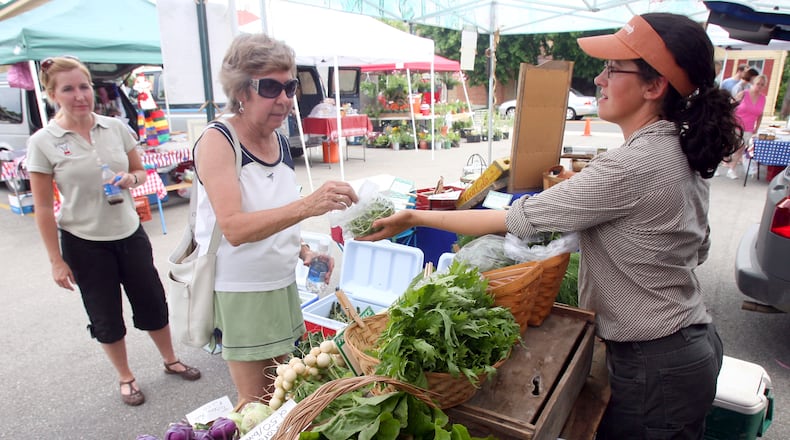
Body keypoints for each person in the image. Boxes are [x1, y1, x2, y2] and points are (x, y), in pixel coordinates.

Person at [361, 13, 739, 439]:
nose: (599, 78)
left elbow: (515, 220)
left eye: (613, 69)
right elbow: (696, 246)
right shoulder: (678, 147)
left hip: (655, 364)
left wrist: (414, 216)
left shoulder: (635, 163)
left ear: (655, 86)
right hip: (684, 346)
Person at [26, 56, 201, 407]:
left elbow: (140, 171)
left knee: (152, 300)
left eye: (84, 86)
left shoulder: (115, 127)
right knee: (105, 313)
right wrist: (55, 261)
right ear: (52, 94)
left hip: (128, 232)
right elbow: (44, 208)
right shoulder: (44, 141)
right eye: (68, 89)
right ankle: (126, 376)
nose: (80, 95)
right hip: (83, 241)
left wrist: (131, 179)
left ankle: (170, 360)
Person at [194, 33, 358, 406]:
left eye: (290, 86)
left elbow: (271, 209)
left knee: (283, 393)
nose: (284, 98)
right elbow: (234, 227)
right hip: (242, 291)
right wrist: (309, 206)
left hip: (280, 283)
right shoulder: (219, 140)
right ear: (241, 91)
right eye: (270, 87)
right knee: (255, 403)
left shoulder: (279, 139)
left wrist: (302, 251)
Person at [727, 74, 767, 179]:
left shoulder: (763, 98)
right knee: (729, 147)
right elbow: (731, 106)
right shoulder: (743, 94)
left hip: (749, 127)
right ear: (753, 84)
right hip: (736, 124)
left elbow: (760, 114)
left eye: (762, 85)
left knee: (740, 149)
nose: (759, 86)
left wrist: (756, 128)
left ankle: (731, 169)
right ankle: (718, 164)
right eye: (758, 84)